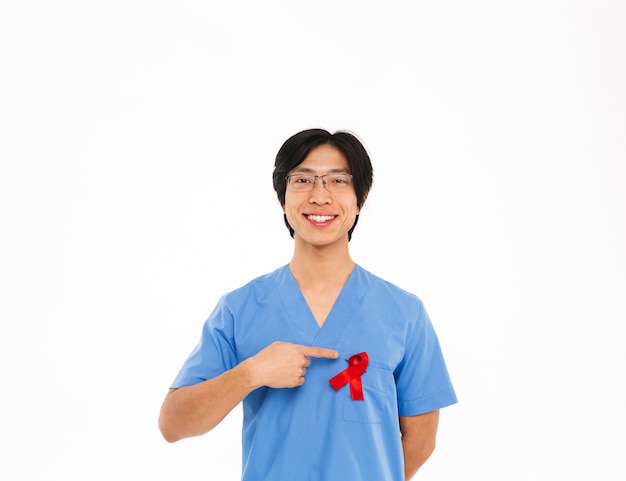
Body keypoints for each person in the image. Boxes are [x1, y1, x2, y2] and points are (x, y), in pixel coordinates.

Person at [158, 128, 457, 480]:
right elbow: (173, 423)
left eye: (338, 181)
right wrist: (251, 373)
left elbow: (421, 440)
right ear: (282, 198)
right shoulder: (239, 309)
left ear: (361, 197)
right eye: (303, 179)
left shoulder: (404, 313)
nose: (319, 196)